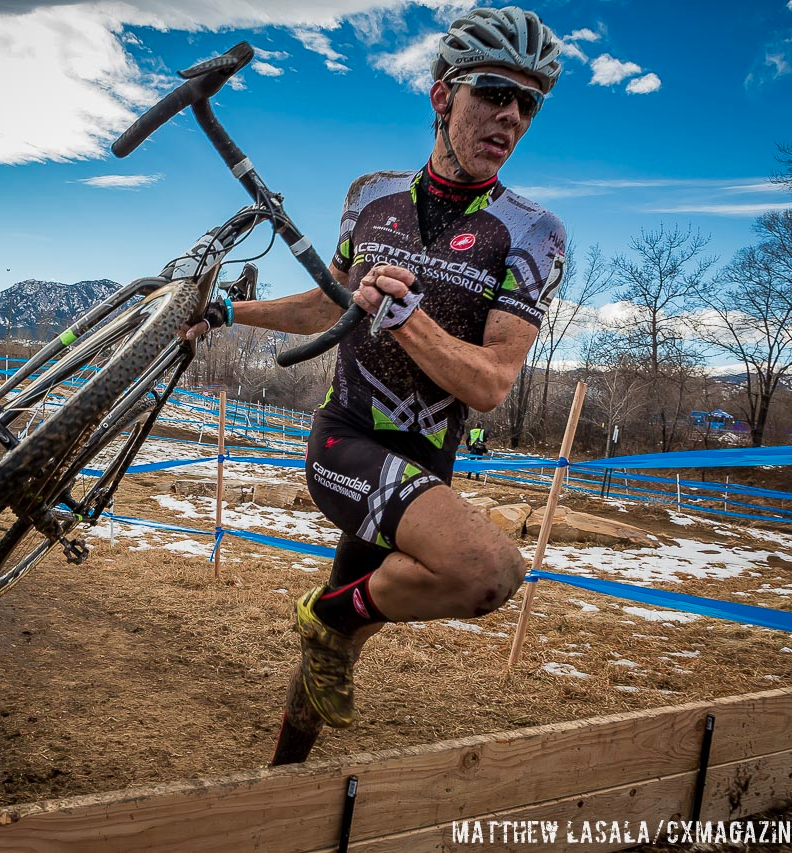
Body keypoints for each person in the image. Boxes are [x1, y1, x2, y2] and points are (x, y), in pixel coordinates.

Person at [184, 6, 566, 761]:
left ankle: (283, 782)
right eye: (494, 92)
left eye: (529, 103)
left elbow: (490, 382)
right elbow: (330, 300)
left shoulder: (533, 232)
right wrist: (230, 307)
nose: (511, 115)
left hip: (424, 464)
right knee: (489, 571)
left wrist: (410, 319)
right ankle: (327, 614)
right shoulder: (371, 195)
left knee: (333, 654)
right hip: (348, 441)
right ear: (441, 96)